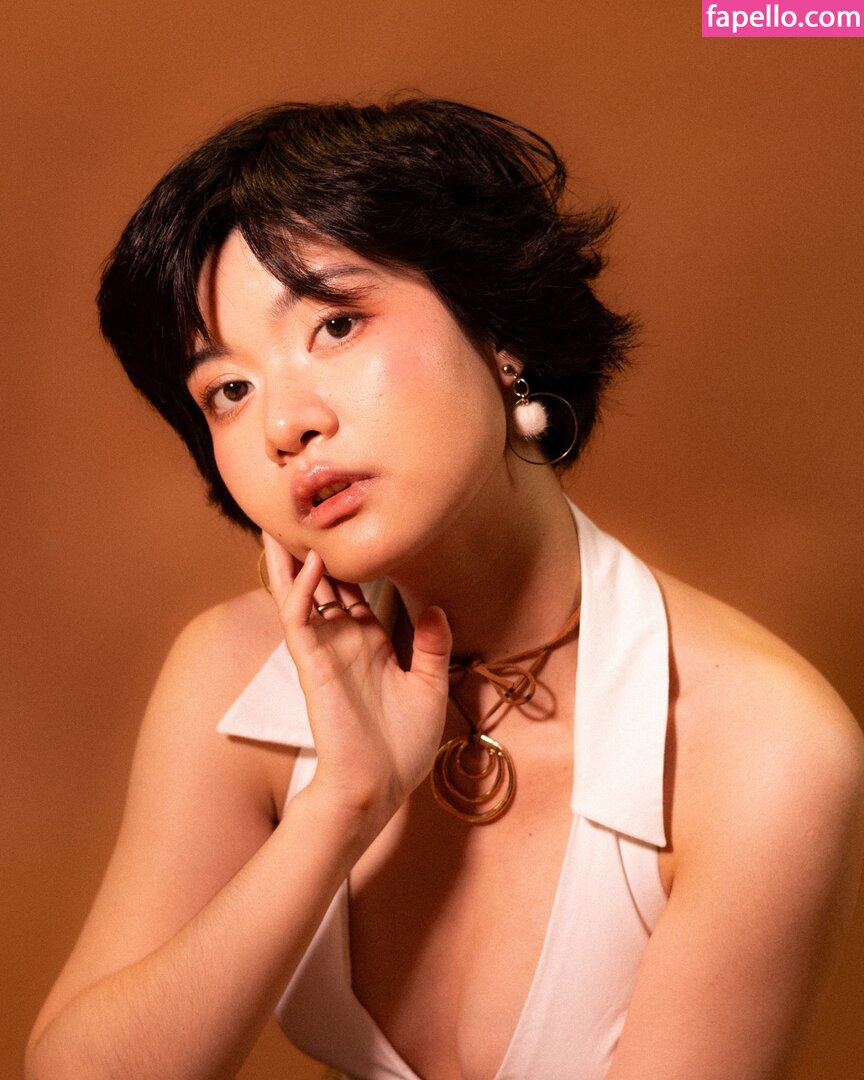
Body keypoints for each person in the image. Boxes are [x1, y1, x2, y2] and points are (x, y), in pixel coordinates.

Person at [25, 98, 864, 1080]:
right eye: (229, 390)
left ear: (497, 326)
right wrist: (340, 806)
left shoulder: (762, 748)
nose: (285, 425)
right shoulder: (234, 673)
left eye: (336, 324)